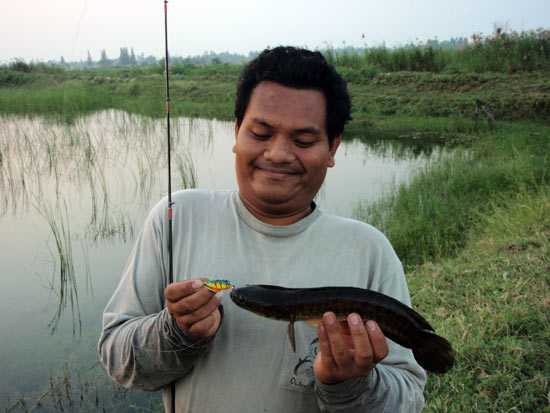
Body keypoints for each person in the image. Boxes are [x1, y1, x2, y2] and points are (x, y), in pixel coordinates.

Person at [99, 46, 426, 412]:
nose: (279, 154)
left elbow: (407, 400)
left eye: (303, 141)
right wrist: (175, 332)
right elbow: (117, 360)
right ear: (237, 132)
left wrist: (351, 384)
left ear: (333, 147)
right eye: (260, 132)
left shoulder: (369, 250)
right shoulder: (177, 217)